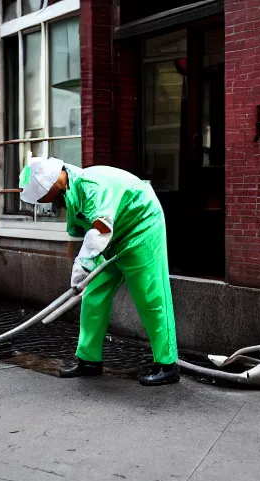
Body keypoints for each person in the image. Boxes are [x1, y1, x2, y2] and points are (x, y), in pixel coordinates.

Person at [19, 157, 179, 385]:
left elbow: (101, 227)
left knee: (150, 295)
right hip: (111, 237)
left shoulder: (89, 186)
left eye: (45, 197)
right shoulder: (69, 190)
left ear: (52, 184)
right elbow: (87, 231)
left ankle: (167, 364)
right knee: (93, 296)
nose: (47, 203)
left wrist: (82, 263)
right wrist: (79, 264)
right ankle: (89, 360)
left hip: (141, 226)